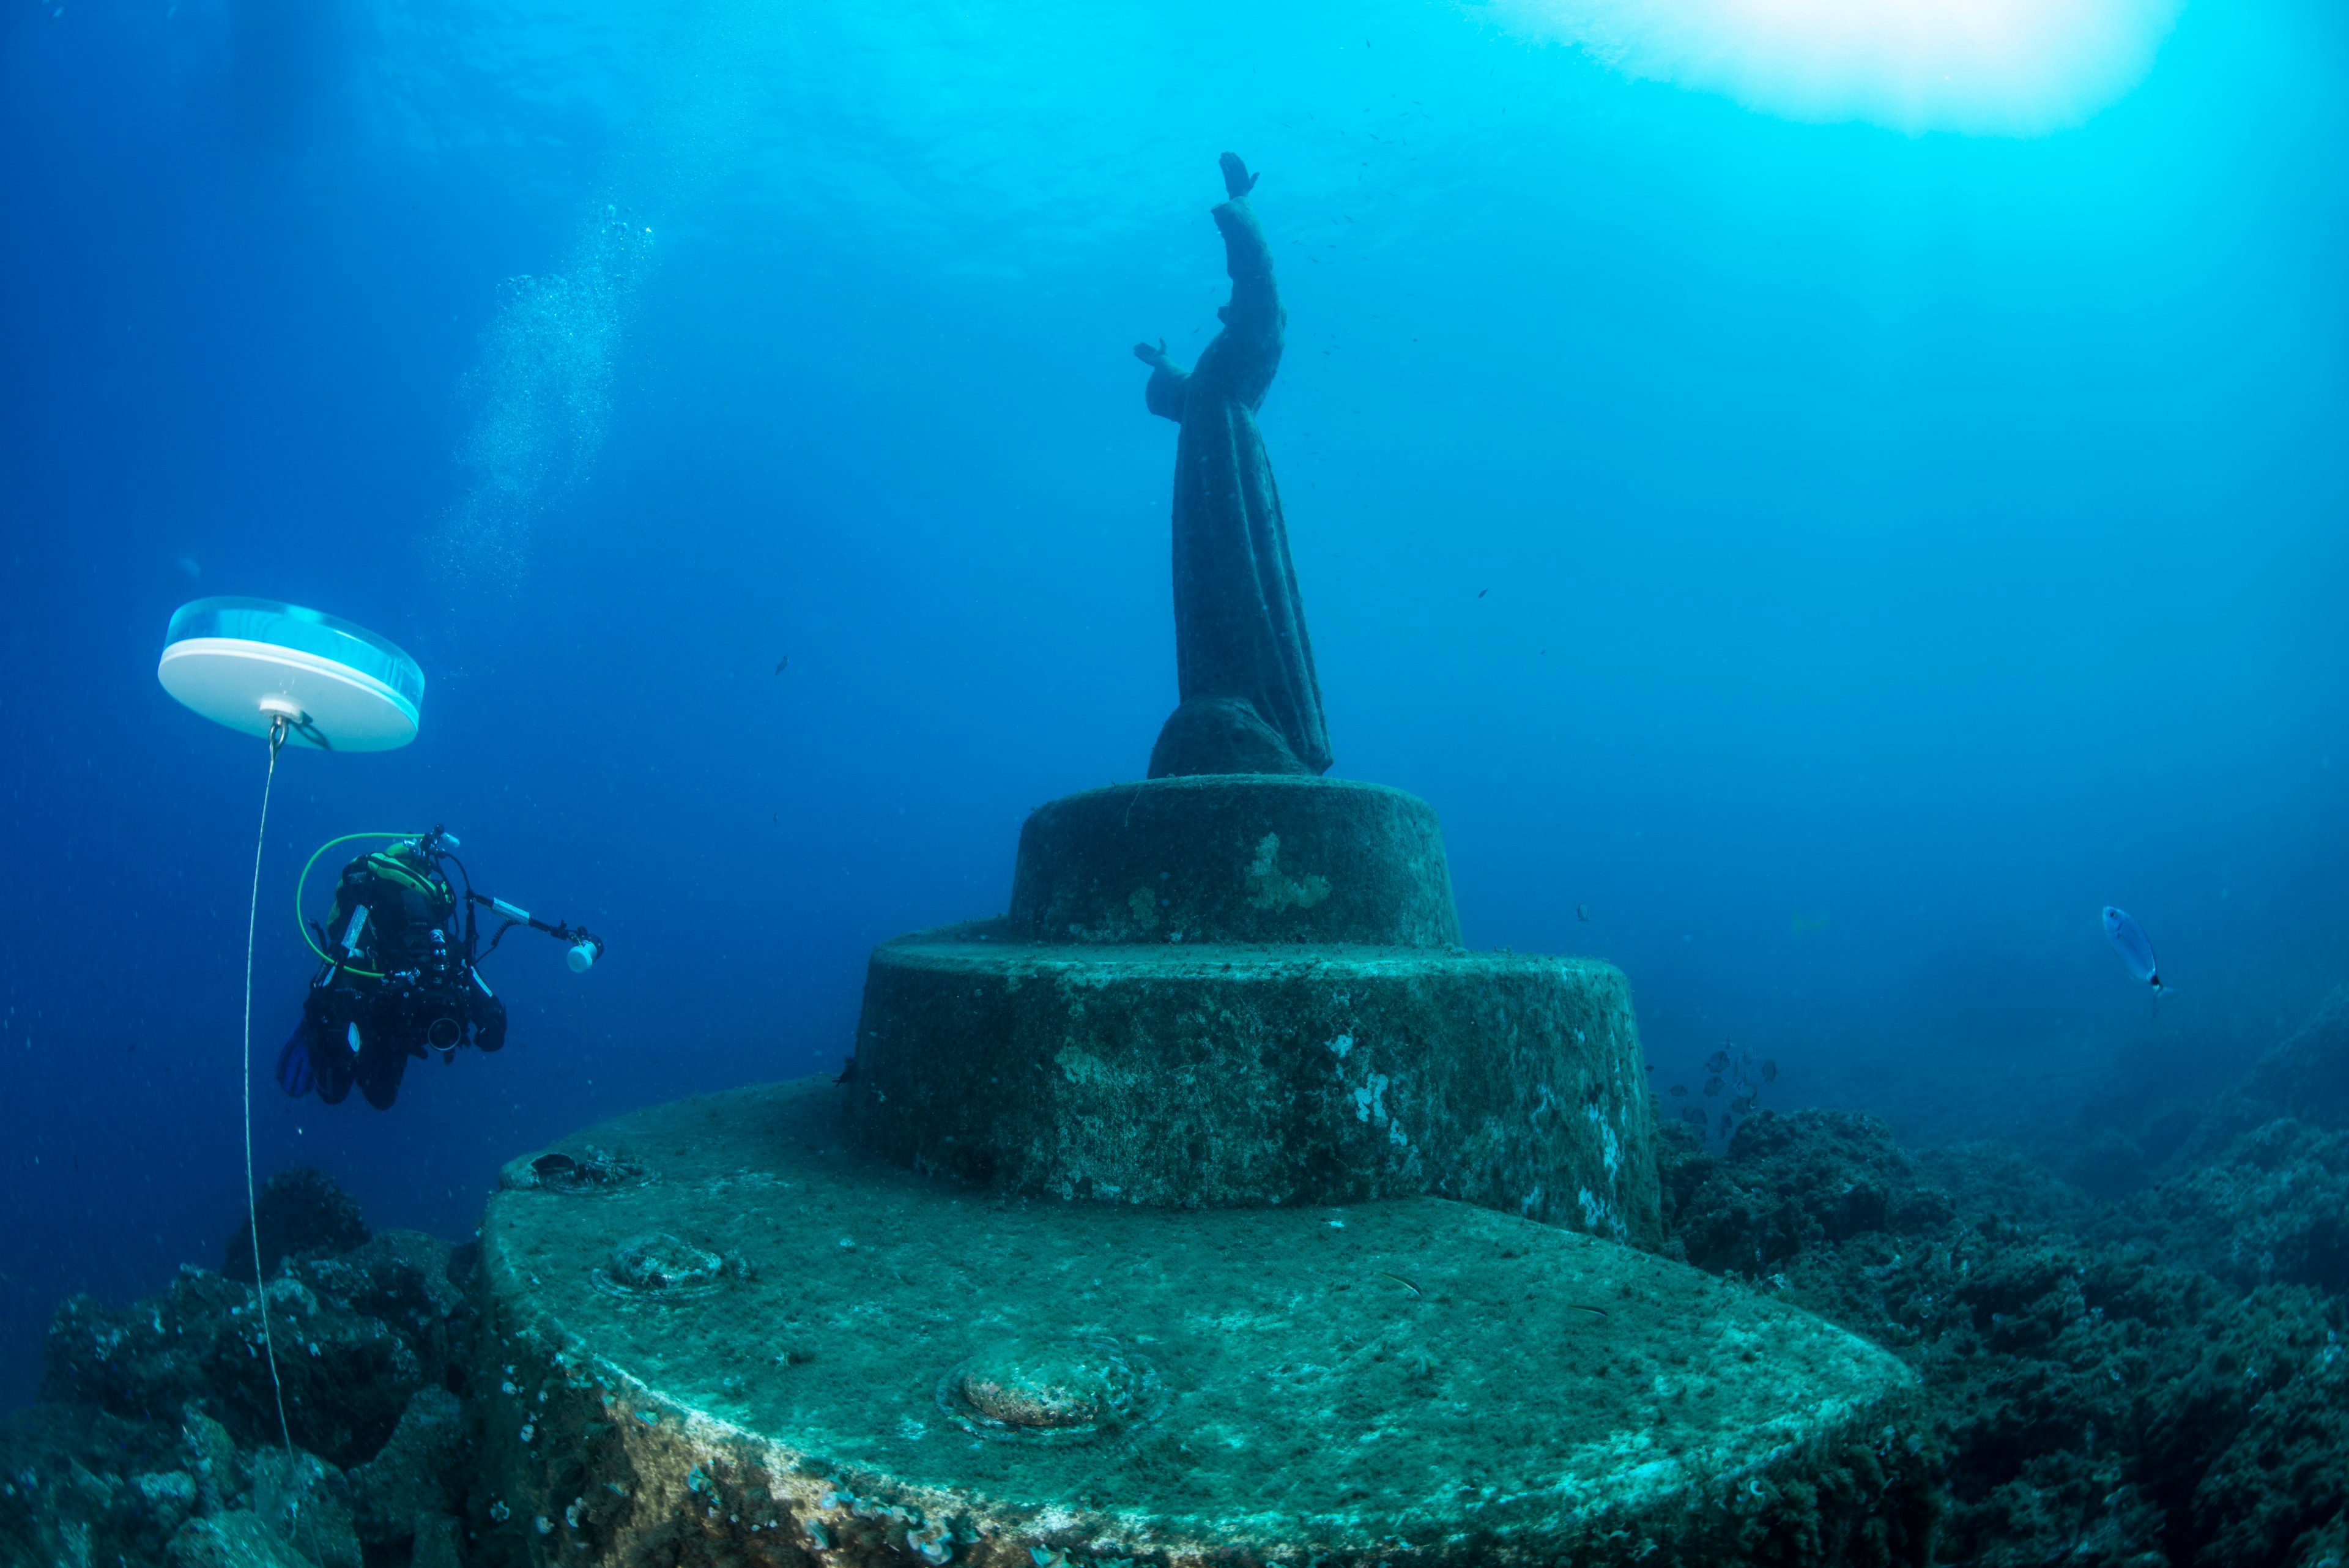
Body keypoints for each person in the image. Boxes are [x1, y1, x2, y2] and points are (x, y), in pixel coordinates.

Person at [1132, 151, 1333, 779]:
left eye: (1232, 312)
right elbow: (1179, 394)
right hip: (1203, 485)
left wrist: (1240, 209)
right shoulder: (1210, 386)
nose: (1226, 317)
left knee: (1242, 581)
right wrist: (1161, 364)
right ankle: (1227, 699)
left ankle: (1267, 714)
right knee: (1211, 583)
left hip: (1231, 481)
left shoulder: (1241, 365)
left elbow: (1261, 293)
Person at [275, 830, 507, 1110]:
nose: (412, 909)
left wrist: (492, 1012)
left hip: (396, 1025)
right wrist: (326, 1020)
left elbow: (466, 971)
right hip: (371, 1013)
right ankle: (334, 1047)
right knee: (340, 1084)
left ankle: (348, 1049)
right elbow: (333, 974)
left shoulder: (437, 938)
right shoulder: (366, 925)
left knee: (381, 1097)